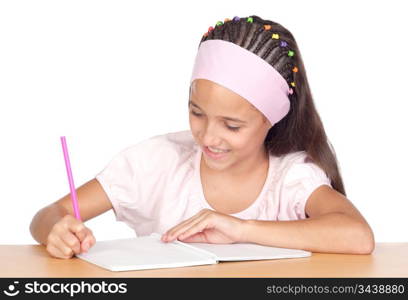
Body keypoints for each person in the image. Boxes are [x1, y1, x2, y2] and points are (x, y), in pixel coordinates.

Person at [30, 15, 375, 259]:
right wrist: (55, 230)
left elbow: (358, 236)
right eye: (197, 112)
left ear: (274, 118)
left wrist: (241, 229)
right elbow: (51, 213)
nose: (208, 136)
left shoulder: (291, 177)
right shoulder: (158, 162)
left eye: (232, 125)